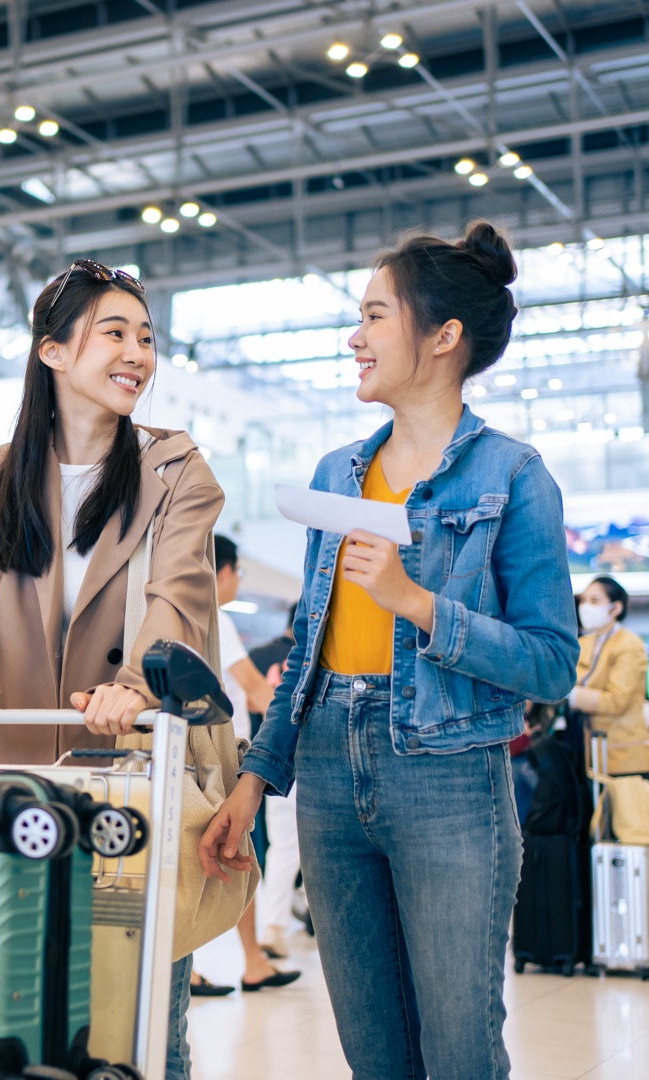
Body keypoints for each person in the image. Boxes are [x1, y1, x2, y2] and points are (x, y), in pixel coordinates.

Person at [198, 221, 579, 1080]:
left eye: (374, 316)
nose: (354, 336)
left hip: (449, 774)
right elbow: (308, 651)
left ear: (444, 338)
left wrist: (417, 605)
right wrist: (255, 781)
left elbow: (554, 661)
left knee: (457, 1049)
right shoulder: (339, 474)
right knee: (373, 1052)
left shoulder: (513, 477)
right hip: (328, 772)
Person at [0, 258, 224, 1080]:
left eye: (147, 339)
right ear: (52, 353)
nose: (137, 355)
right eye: (115, 333)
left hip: (139, 773)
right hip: (27, 777)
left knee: (139, 1023)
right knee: (21, 1001)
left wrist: (137, 687)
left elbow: (175, 595)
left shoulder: (175, 470)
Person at [189, 536, 300, 996]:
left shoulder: (186, 614)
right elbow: (254, 689)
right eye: (238, 573)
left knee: (223, 857)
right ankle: (233, 962)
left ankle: (247, 960)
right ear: (222, 571)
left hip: (202, 755)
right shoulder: (214, 615)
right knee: (233, 856)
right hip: (216, 756)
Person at [247, 605, 302, 960]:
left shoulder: (258, 654)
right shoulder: (312, 657)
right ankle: (283, 922)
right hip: (306, 760)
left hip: (265, 759)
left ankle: (274, 925)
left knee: (282, 847)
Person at [569, 575, 649, 776]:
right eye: (584, 600)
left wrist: (571, 695)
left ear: (616, 608)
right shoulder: (584, 643)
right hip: (587, 752)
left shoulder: (630, 644)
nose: (586, 607)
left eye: (595, 601)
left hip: (623, 754)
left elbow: (617, 701)